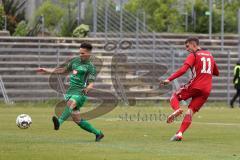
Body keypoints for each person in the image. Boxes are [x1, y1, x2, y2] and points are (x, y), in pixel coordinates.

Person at [37, 42, 104, 142]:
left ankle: (59, 123)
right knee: (77, 120)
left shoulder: (91, 67)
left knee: (70, 103)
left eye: (83, 53)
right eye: (79, 53)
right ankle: (98, 133)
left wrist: (87, 89)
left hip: (81, 92)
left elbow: (91, 83)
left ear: (89, 54)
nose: (80, 55)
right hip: (71, 91)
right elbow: (63, 70)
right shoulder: (75, 61)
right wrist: (47, 70)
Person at [160, 37, 219, 141]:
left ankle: (177, 109)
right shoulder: (210, 55)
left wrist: (169, 79)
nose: (187, 49)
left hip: (196, 85)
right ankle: (179, 134)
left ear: (194, 45)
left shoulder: (193, 55)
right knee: (190, 112)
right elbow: (216, 72)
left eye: (187, 46)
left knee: (174, 96)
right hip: (207, 89)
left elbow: (183, 70)